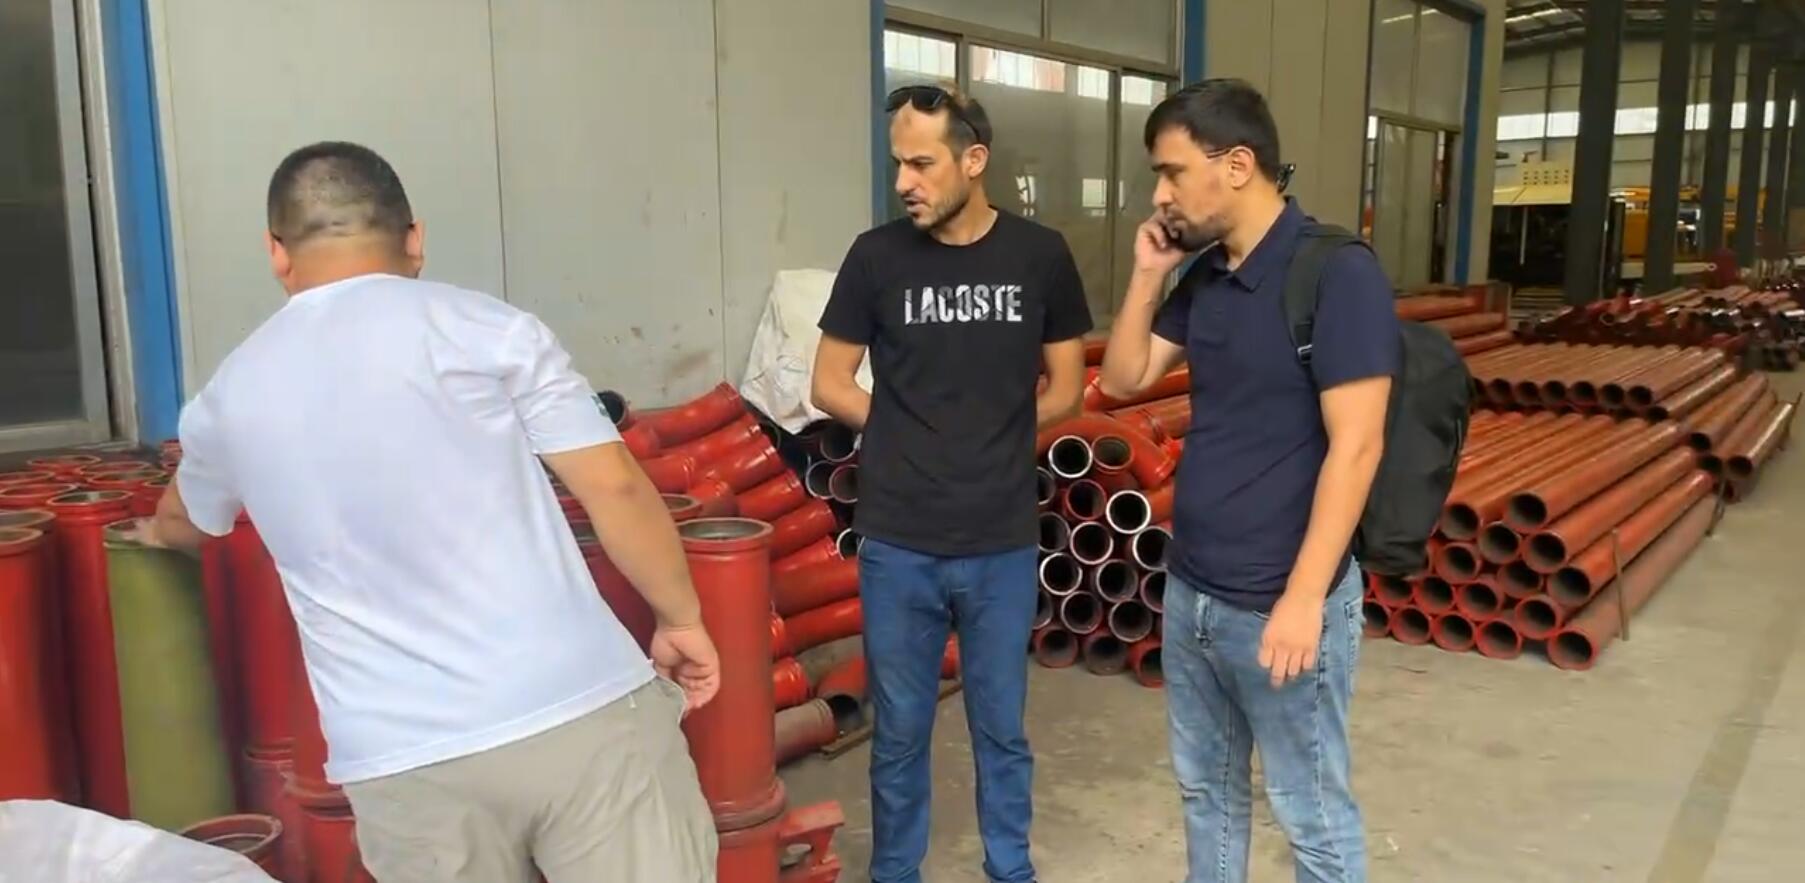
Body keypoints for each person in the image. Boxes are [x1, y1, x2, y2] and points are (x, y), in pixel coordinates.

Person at [135, 142, 720, 883]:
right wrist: (680, 617)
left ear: (276, 253)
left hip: (404, 761)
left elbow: (187, 520)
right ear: (414, 238)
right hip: (576, 705)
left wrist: (154, 533)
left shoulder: (228, 396)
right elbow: (616, 487)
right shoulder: (490, 330)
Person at [1098, 80, 1397, 883]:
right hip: (1193, 592)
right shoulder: (1207, 276)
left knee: (1311, 814)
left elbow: (1357, 446)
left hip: (1280, 603)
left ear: (1235, 165)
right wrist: (1146, 274)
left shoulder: (1335, 272)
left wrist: (1302, 599)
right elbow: (1122, 378)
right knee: (1207, 794)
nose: (1160, 195)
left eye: (1171, 172)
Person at [811, 84, 1091, 883]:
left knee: (1000, 727)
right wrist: (905, 434)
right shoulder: (875, 257)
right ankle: (895, 873)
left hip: (1000, 541)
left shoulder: (1039, 256)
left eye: (921, 163)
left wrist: (996, 441)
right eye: (897, 164)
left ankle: (1010, 868)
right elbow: (828, 381)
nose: (904, 182)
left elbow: (1067, 386)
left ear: (973, 160)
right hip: (898, 541)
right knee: (898, 731)